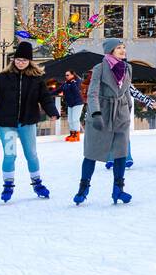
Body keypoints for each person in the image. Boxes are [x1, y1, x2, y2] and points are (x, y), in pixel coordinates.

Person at [0, 41, 58, 201]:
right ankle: (8, 185)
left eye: (24, 60)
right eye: (18, 59)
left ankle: (37, 183)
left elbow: (45, 98)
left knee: (31, 154)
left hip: (27, 123)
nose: (21, 63)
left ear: (30, 61)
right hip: (7, 124)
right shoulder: (2, 78)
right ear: (14, 60)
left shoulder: (36, 79)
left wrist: (52, 111)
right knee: (10, 155)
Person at [74, 38, 136, 205]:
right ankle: (83, 188)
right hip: (102, 112)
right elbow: (92, 93)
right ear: (110, 51)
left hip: (121, 114)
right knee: (91, 153)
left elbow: (126, 91)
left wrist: (128, 108)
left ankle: (118, 189)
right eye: (118, 48)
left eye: (124, 47)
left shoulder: (127, 68)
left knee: (121, 153)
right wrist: (95, 113)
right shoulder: (100, 68)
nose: (123, 50)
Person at [54, 70, 86, 141]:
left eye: (68, 75)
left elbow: (77, 91)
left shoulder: (77, 81)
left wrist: (73, 83)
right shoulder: (66, 83)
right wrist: (47, 94)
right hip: (70, 103)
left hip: (78, 103)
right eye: (65, 75)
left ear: (72, 75)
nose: (66, 76)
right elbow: (59, 90)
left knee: (75, 119)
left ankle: (76, 135)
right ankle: (72, 134)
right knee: (70, 120)